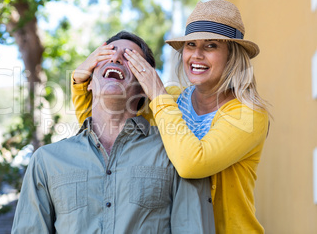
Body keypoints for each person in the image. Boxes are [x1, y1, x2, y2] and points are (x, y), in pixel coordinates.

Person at [71, 1, 270, 234]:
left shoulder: (249, 114)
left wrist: (157, 94)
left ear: (232, 55)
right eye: (191, 45)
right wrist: (79, 80)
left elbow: (192, 164)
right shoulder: (171, 101)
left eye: (211, 46)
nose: (196, 55)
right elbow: (104, 128)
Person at [11, 31, 215, 233]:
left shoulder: (175, 156)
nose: (116, 58)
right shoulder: (46, 162)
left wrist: (157, 91)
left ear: (144, 85)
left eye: (129, 57)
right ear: (89, 82)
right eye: (106, 54)